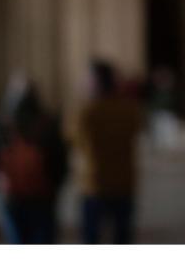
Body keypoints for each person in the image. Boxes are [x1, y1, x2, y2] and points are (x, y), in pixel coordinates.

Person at [0, 72, 68, 244]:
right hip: (43, 195)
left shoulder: (0, 122)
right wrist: (54, 187)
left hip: (13, 196)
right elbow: (60, 162)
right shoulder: (48, 122)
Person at [73, 59, 144, 244]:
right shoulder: (129, 109)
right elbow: (136, 130)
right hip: (124, 182)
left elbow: (74, 140)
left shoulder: (87, 112)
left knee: (91, 238)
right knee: (122, 238)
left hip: (95, 183)